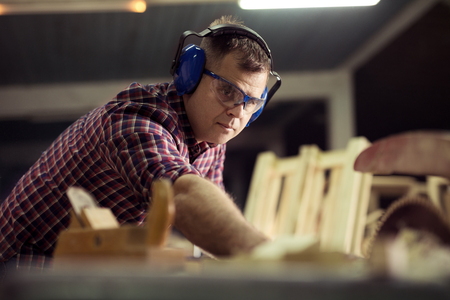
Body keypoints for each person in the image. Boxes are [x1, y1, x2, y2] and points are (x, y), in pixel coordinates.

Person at [0, 15, 282, 273]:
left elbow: (208, 217)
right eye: (227, 91)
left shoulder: (212, 137)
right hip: (25, 264)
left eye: (252, 103)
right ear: (190, 74)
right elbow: (182, 197)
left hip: (89, 266)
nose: (238, 112)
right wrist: (271, 259)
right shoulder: (136, 119)